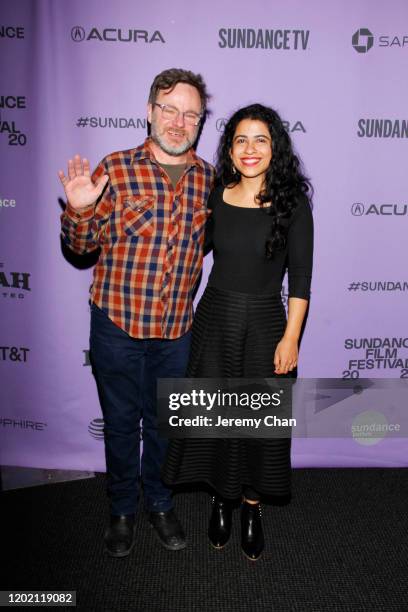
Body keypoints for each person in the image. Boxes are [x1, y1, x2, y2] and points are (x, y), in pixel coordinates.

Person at [59, 68, 215, 557]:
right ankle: (123, 508)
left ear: (199, 122)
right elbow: (83, 248)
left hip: (176, 331)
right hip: (117, 326)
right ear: (150, 112)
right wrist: (81, 211)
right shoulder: (117, 167)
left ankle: (161, 503)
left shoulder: (209, 179)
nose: (178, 121)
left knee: (167, 425)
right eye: (169, 109)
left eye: (190, 113)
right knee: (122, 423)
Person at [163, 103, 313, 561]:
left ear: (275, 147)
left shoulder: (293, 202)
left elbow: (301, 280)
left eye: (260, 140)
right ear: (230, 149)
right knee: (217, 422)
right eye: (241, 140)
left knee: (258, 428)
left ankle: (251, 507)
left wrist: (290, 337)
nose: (250, 149)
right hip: (216, 320)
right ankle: (221, 500)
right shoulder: (215, 193)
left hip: (266, 325)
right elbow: (188, 248)